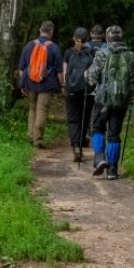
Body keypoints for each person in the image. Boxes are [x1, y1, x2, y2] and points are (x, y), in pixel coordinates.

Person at [85, 25, 134, 180]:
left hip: (102, 99)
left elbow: (92, 77)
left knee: (98, 128)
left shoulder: (102, 53)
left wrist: (86, 74)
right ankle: (112, 169)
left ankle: (100, 157)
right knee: (114, 134)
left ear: (107, 37)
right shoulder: (130, 55)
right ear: (121, 37)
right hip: (121, 101)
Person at [18, 20, 63, 148]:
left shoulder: (29, 45)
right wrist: (62, 85)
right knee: (42, 109)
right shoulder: (54, 47)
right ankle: (38, 139)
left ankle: (30, 135)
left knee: (32, 108)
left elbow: (22, 69)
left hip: (30, 83)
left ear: (40, 30)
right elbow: (59, 71)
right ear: (51, 32)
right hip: (46, 84)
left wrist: (23, 84)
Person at [63, 27, 95, 162]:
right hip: (88, 92)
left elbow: (65, 72)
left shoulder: (68, 53)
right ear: (87, 39)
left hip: (72, 91)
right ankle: (81, 144)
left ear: (73, 38)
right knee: (84, 118)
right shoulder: (92, 53)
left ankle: (75, 146)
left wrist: (65, 86)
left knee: (73, 119)